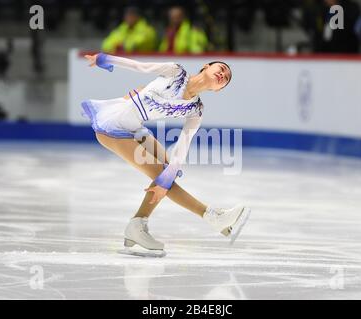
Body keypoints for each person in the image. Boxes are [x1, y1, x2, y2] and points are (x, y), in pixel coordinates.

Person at [81, 53, 250, 257]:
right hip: (112, 127)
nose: (223, 74)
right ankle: (212, 216)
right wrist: (104, 59)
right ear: (206, 66)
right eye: (221, 69)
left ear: (218, 90)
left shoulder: (196, 110)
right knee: (163, 175)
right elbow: (139, 66)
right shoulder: (175, 71)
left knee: (169, 170)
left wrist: (166, 180)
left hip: (135, 128)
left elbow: (182, 146)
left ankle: (138, 224)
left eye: (226, 78)